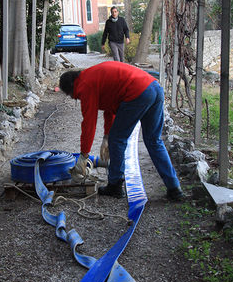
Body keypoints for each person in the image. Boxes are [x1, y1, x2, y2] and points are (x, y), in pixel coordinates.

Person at [59, 61, 183, 201]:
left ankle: (115, 185)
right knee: (154, 141)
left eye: (72, 96)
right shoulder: (92, 77)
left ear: (71, 87)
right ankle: (174, 189)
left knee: (117, 140)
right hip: (154, 87)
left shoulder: (84, 85)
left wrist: (84, 154)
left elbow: (89, 122)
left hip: (138, 92)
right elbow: (110, 108)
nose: (75, 98)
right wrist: (106, 135)